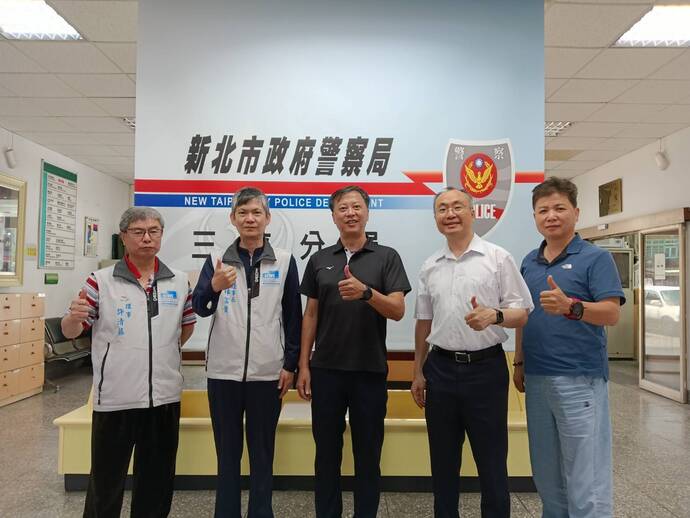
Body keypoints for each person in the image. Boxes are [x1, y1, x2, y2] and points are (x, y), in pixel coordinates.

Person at [61, 207, 196, 518]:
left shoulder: (178, 281)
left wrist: (163, 351)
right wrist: (72, 318)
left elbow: (186, 327)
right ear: (124, 237)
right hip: (116, 399)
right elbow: (72, 331)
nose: (147, 238)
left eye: (153, 231)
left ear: (161, 235)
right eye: (138, 232)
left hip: (164, 398)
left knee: (157, 482)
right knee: (106, 482)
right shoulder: (101, 281)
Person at [411, 187, 533, 518]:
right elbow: (424, 321)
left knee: (492, 463)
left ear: (473, 212)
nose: (449, 214)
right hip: (439, 370)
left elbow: (522, 313)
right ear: (435, 217)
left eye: (457, 207)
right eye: (442, 209)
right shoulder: (430, 266)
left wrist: (494, 315)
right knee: (443, 464)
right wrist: (418, 371)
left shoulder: (497, 258)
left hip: (485, 370)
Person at [296, 185, 411, 518]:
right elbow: (311, 314)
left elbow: (397, 310)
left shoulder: (386, 257)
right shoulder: (319, 259)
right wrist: (304, 365)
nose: (350, 213)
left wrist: (366, 293)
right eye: (343, 208)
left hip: (369, 371)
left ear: (367, 212)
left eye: (356, 206)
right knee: (326, 455)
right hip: (326, 371)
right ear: (333, 216)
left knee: (368, 456)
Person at [515, 177, 624, 518]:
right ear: (534, 217)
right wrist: (519, 362)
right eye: (543, 210)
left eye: (559, 208)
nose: (551, 216)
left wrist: (572, 307)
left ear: (576, 213)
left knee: (585, 476)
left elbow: (611, 314)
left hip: (580, 379)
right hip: (536, 378)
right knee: (546, 474)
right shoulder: (529, 262)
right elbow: (524, 316)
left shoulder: (595, 258)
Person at [192, 186, 302, 518]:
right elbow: (200, 307)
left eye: (256, 212)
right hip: (223, 373)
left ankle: (261, 512)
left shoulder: (284, 261)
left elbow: (293, 317)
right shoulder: (216, 260)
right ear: (233, 219)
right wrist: (214, 287)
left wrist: (290, 364)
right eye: (243, 213)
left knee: (262, 453)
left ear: (268, 218)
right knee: (227, 454)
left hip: (268, 374)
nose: (250, 219)